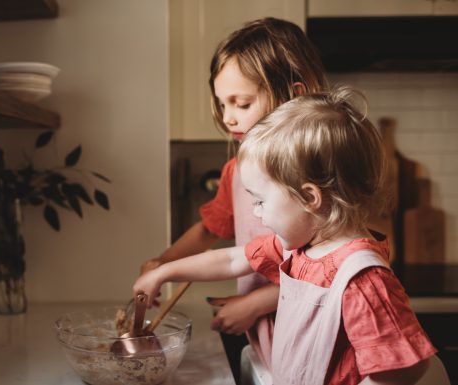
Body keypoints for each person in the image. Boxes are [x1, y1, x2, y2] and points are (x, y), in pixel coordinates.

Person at [135, 87, 436, 385]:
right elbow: (231, 259)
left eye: (261, 201)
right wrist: (164, 272)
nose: (256, 212)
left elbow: (403, 370)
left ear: (309, 197)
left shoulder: (361, 279)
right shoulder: (301, 248)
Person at [140, 17, 327, 378]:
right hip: (271, 348)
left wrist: (257, 302)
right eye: (221, 104)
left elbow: (331, 270)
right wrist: (161, 265)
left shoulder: (317, 177)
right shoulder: (238, 171)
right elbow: (212, 231)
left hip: (313, 346)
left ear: (295, 95)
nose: (228, 118)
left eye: (241, 104)